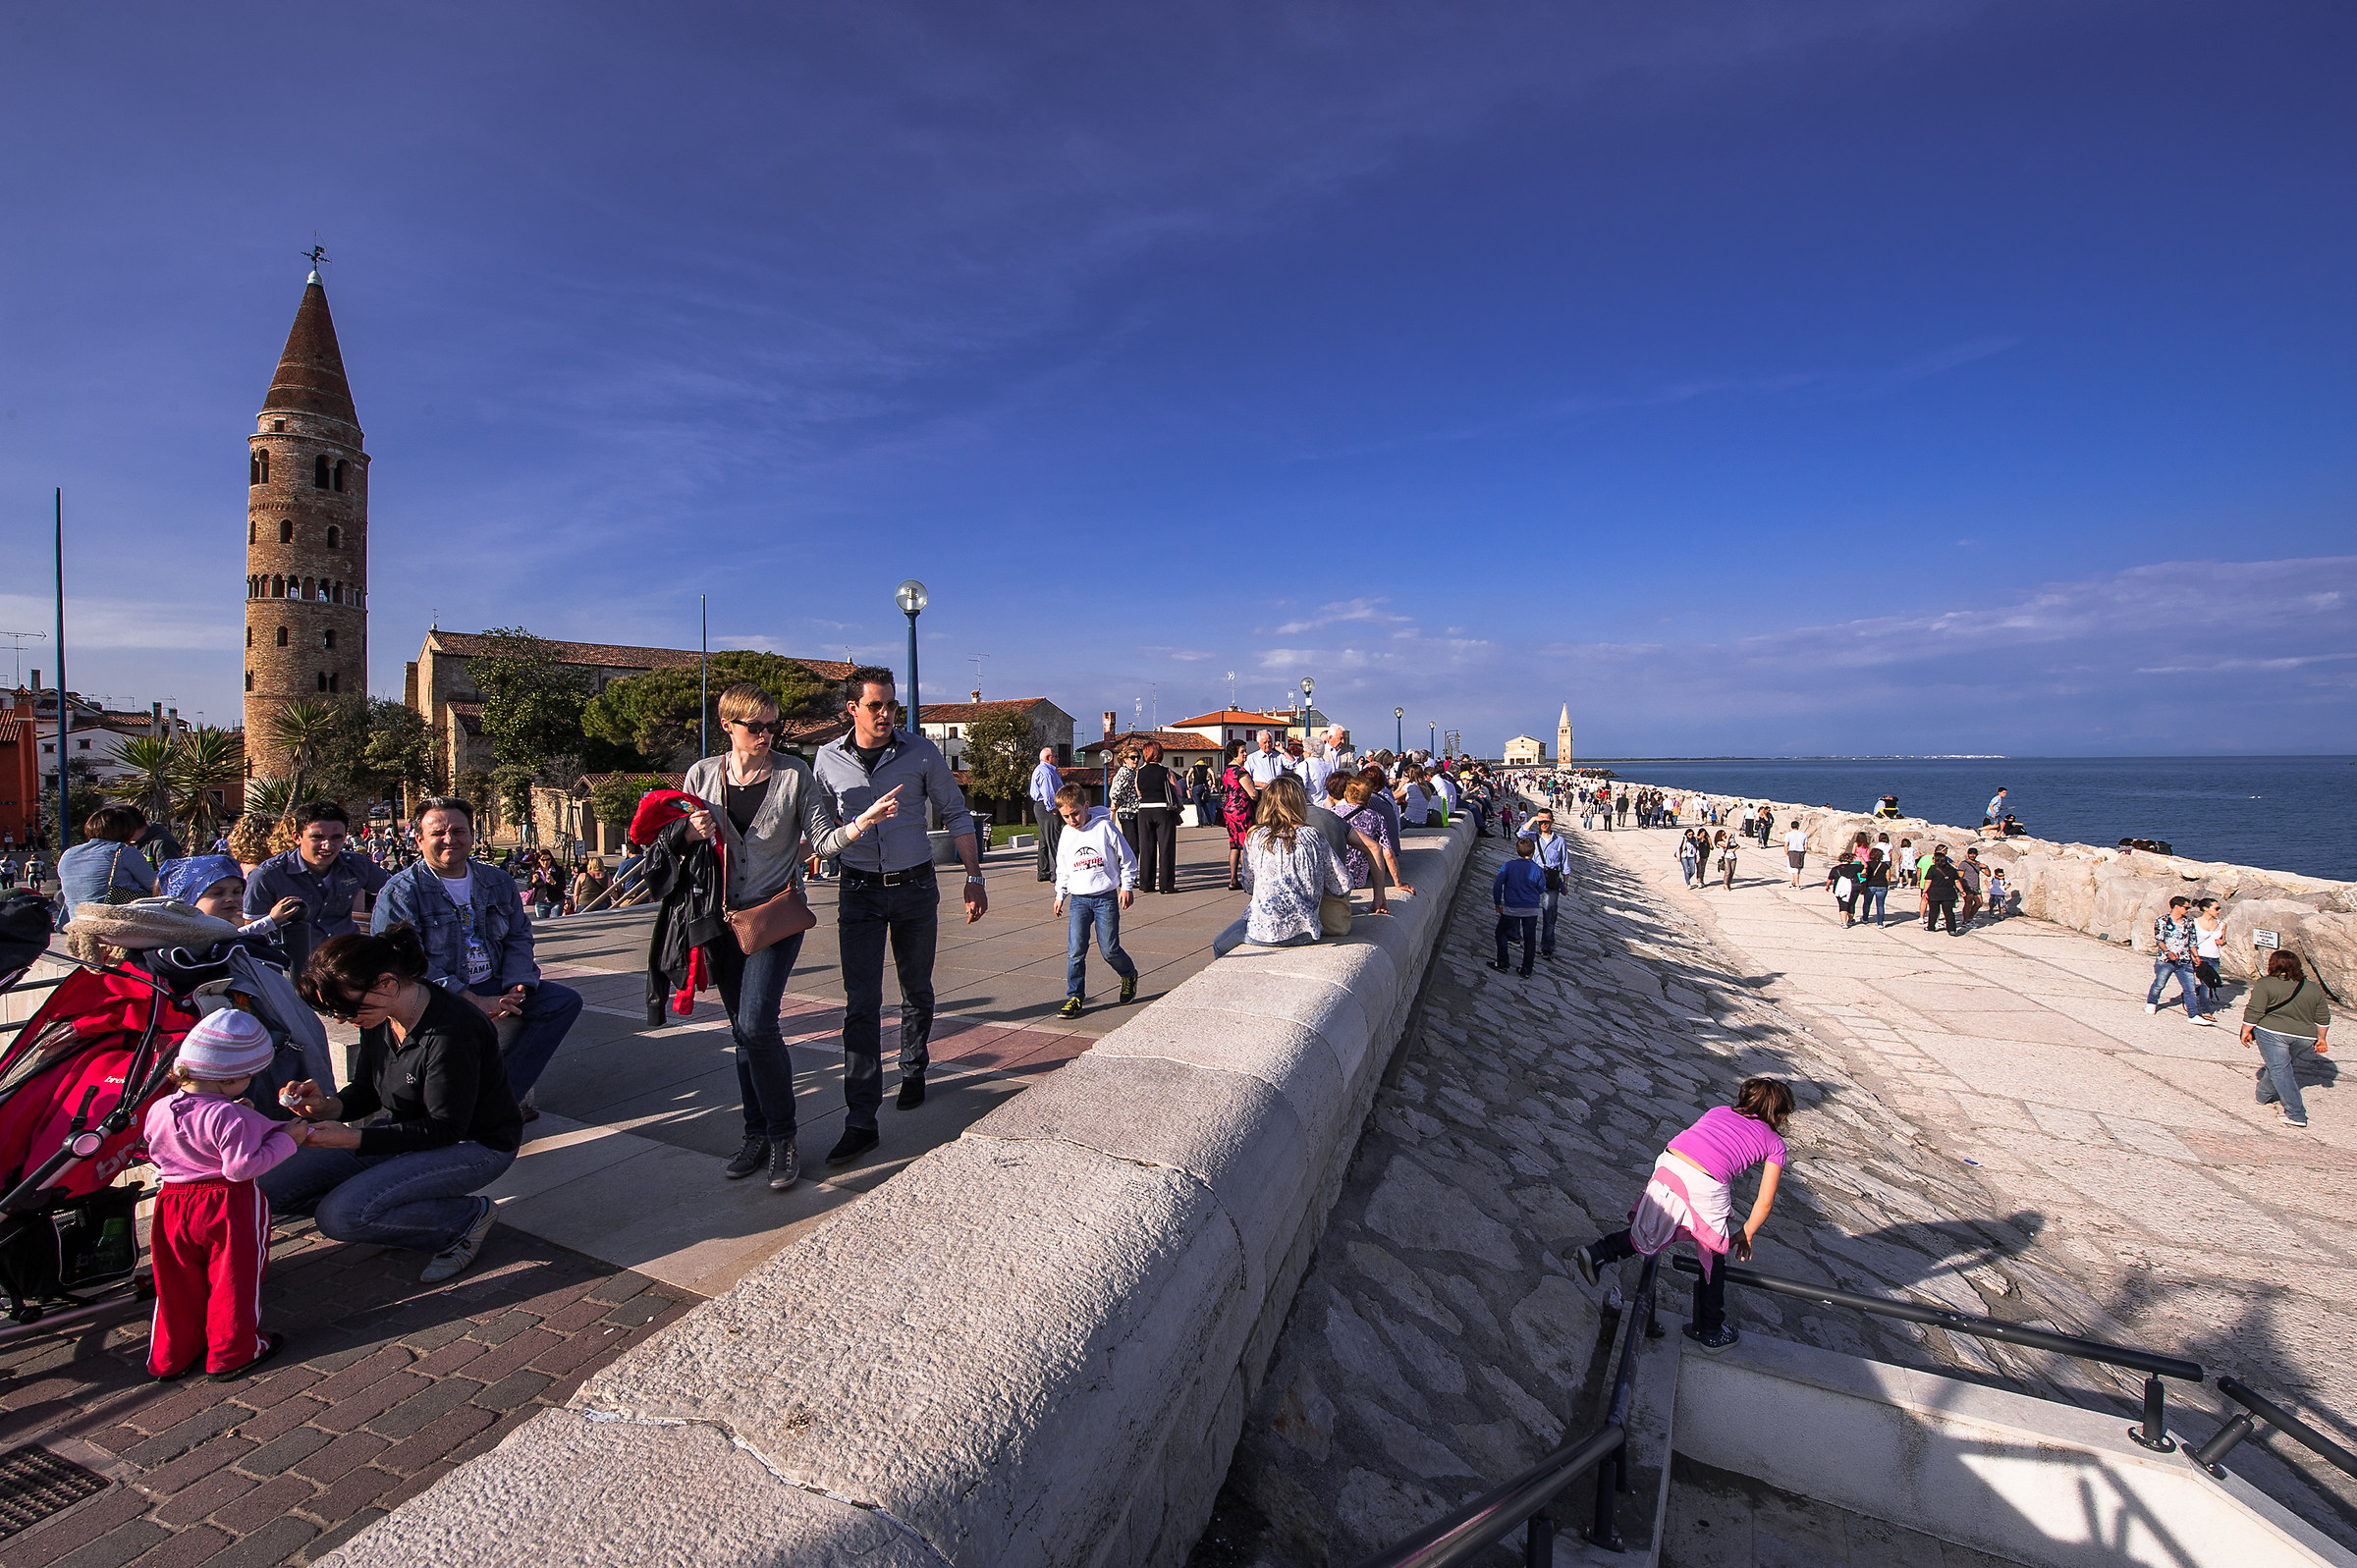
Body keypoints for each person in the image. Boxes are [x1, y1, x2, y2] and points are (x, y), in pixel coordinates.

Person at [682, 682, 901, 1188]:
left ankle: (783, 1137)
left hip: (774, 916)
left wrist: (860, 824)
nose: (766, 735)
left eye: (772, 725)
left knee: (757, 1025)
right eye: (755, 726)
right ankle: (755, 1133)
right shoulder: (701, 774)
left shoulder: (793, 773)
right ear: (727, 726)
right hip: (720, 919)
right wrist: (690, 831)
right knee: (741, 1032)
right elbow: (675, 839)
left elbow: (822, 839)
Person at [269, 927, 521, 1284]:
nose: (342, 1019)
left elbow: (445, 1129)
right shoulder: (379, 1015)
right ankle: (394, 1209)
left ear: (386, 983)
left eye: (345, 1008)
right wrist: (328, 1107)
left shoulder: (453, 1030)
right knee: (271, 1184)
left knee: (341, 1216)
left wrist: (353, 1140)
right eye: (333, 1012)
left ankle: (463, 1219)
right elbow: (367, 1089)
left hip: (475, 1144)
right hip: (406, 1135)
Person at [810, 667, 984, 1167]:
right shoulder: (826, 759)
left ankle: (913, 1067)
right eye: (875, 706)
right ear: (852, 709)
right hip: (859, 890)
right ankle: (861, 1120)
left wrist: (974, 876)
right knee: (861, 1004)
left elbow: (956, 812)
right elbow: (819, 833)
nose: (886, 714)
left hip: (915, 888)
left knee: (916, 989)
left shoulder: (922, 752)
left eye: (891, 705)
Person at [372, 796, 586, 1104]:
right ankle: (488, 1102)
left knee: (563, 1002)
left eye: (458, 831)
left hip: (495, 981)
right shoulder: (401, 893)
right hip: (437, 992)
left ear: (472, 835)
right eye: (438, 833)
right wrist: (469, 998)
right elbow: (402, 963)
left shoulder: (496, 881)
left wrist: (518, 983)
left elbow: (518, 936)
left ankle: (501, 1097)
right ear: (419, 840)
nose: (449, 839)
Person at [1571, 1077, 1795, 1353]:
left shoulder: (1719, 1111)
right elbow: (1765, 1202)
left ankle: (1599, 1253)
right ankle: (1711, 1330)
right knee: (1713, 1253)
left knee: (1650, 1230)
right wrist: (1746, 1232)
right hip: (1705, 1181)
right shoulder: (1774, 1144)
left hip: (1669, 1163)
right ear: (1780, 1115)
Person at [142, 1010, 306, 1380]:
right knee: (233, 1279)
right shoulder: (231, 1117)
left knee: (176, 1281)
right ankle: (234, 1351)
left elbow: (157, 1146)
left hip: (172, 1203)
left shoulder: (159, 1109)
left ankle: (171, 1355)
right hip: (226, 1204)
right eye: (247, 1076)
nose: (249, 1083)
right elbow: (241, 1168)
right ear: (229, 1078)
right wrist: (288, 1140)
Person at [245, 801, 390, 965]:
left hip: (347, 963)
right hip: (293, 967)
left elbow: (395, 892)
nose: (327, 846)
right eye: (317, 837)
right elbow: (253, 934)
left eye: (336, 837)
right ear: (297, 837)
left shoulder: (357, 865)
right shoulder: (267, 876)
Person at [1051, 782, 1139, 1018]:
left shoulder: (1104, 828)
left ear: (1086, 806)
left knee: (1109, 949)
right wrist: (1060, 894)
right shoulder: (1067, 834)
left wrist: (1126, 887)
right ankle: (1075, 997)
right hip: (1079, 900)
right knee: (1075, 951)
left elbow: (1127, 859)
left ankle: (1128, 974)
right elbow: (1063, 867)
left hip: (1105, 898)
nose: (1072, 820)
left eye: (1075, 813)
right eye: (1066, 816)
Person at [1239, 775, 1348, 948]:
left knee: (1219, 944)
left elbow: (1248, 884)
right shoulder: (1313, 835)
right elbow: (1342, 883)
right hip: (1306, 932)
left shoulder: (1255, 836)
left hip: (1264, 932)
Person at [2241, 950, 2330, 1129]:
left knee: (2280, 1069)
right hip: (2305, 1037)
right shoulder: (2312, 987)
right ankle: (2263, 1095)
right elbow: (2323, 1017)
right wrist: (2321, 1038)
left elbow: (2255, 1010)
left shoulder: (2265, 983)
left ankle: (2295, 1113)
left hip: (2272, 1032)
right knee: (2280, 1067)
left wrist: (2246, 1030)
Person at [55, 804, 158, 929]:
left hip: (78, 923)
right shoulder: (123, 852)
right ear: (127, 830)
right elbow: (155, 886)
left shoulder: (68, 854)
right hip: (116, 923)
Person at [2143, 896, 2210, 1024]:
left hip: (2184, 959)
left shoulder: (2189, 922)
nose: (2188, 910)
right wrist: (2167, 952)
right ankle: (2152, 1002)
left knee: (2190, 988)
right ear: (2177, 907)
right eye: (2186, 907)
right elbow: (2159, 940)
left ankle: (2193, 1014)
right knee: (2160, 983)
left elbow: (2192, 941)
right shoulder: (2162, 921)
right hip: (2166, 960)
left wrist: (2196, 956)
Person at [1130, 740, 1181, 895]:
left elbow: (1139, 792)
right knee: (1166, 848)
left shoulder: (1139, 772)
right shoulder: (1166, 771)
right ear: (1159, 754)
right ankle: (1166, 885)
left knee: (1147, 848)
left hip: (1144, 811)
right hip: (1163, 810)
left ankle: (1147, 883)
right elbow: (1178, 791)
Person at [1490, 837, 1546, 976]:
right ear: (1533, 852)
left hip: (1512, 907)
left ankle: (1503, 963)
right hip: (1531, 909)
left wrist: (1498, 902)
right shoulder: (1538, 870)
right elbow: (1541, 888)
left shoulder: (1509, 866)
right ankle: (1526, 969)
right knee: (1530, 939)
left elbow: (1498, 885)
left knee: (1501, 933)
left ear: (1517, 850)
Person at [1519, 810, 1571, 954]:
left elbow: (1565, 863)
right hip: (1534, 880)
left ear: (1552, 821)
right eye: (1541, 821)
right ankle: (1527, 943)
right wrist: (1533, 819)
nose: (1544, 824)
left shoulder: (1560, 841)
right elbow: (1520, 834)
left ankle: (1547, 947)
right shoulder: (1533, 838)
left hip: (1551, 881)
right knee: (1529, 913)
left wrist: (1565, 883)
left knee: (1550, 915)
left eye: (1546, 821)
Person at [1219, 740, 1256, 891]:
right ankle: (1248, 878)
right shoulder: (1241, 772)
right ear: (1234, 754)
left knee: (1234, 845)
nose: (1245, 754)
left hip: (1229, 810)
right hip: (1242, 811)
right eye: (1242, 751)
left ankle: (1233, 879)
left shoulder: (1227, 770)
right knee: (1244, 844)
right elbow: (1252, 794)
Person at [1029, 746, 1064, 883]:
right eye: (1055, 756)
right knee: (1053, 840)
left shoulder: (1044, 770)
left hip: (1042, 807)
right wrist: (1052, 808)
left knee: (1044, 840)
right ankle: (1056, 873)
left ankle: (1043, 871)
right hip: (1046, 807)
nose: (1057, 759)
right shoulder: (1046, 772)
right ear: (1048, 758)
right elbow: (1048, 792)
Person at [1921, 846, 1962, 936]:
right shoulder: (1951, 869)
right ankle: (1951, 929)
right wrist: (1962, 890)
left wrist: (1924, 891)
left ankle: (1931, 927)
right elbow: (1957, 881)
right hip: (1948, 893)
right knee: (1949, 912)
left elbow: (1928, 881)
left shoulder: (1932, 869)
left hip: (1934, 892)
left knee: (1933, 911)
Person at [525, 851, 566, 921]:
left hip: (556, 901)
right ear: (539, 860)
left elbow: (563, 887)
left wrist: (553, 882)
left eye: (548, 859)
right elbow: (528, 886)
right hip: (541, 901)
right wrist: (533, 881)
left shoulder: (558, 870)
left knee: (556, 921)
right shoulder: (535, 871)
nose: (546, 862)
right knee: (543, 922)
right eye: (543, 860)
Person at [1860, 847, 1891, 925]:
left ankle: (1865, 918)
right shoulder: (1885, 865)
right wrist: (1887, 884)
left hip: (1870, 885)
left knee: (1867, 903)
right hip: (1882, 886)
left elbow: (1862, 874)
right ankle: (1880, 923)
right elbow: (1888, 877)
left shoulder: (1868, 864)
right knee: (1880, 905)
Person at [1956, 847, 1985, 925]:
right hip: (1967, 886)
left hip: (1976, 887)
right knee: (1968, 904)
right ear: (1968, 854)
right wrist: (1960, 888)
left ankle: (1969, 918)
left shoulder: (1978, 864)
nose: (1972, 855)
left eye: (1974, 854)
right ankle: (1965, 921)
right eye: (1971, 853)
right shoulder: (1963, 864)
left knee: (1979, 903)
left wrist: (1985, 867)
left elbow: (1988, 874)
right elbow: (1960, 876)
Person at [1781, 819, 1808, 889]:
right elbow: (1806, 845)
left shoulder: (1789, 834)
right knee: (1798, 867)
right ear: (1798, 826)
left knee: (1794, 868)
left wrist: (1786, 851)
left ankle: (1797, 884)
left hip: (1792, 851)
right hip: (1801, 851)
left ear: (1791, 826)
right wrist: (1804, 851)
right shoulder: (1803, 834)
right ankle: (1794, 881)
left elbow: (1786, 844)